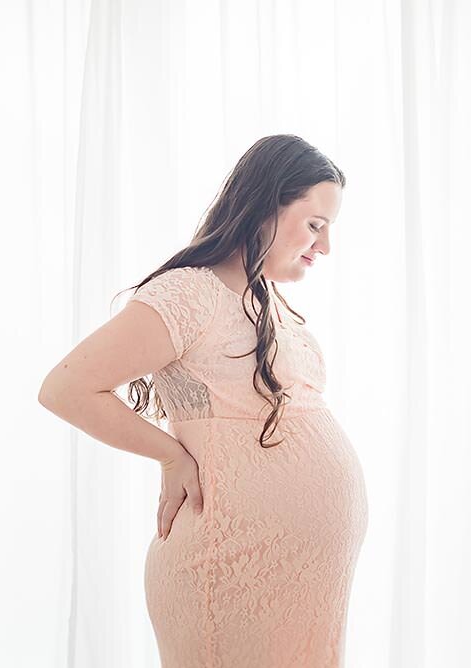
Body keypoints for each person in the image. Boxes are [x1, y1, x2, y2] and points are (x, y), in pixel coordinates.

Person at [38, 134, 368, 667]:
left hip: (302, 589)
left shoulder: (263, 300)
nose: (325, 245)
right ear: (265, 206)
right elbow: (66, 389)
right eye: (314, 224)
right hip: (228, 573)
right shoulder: (190, 293)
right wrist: (171, 455)